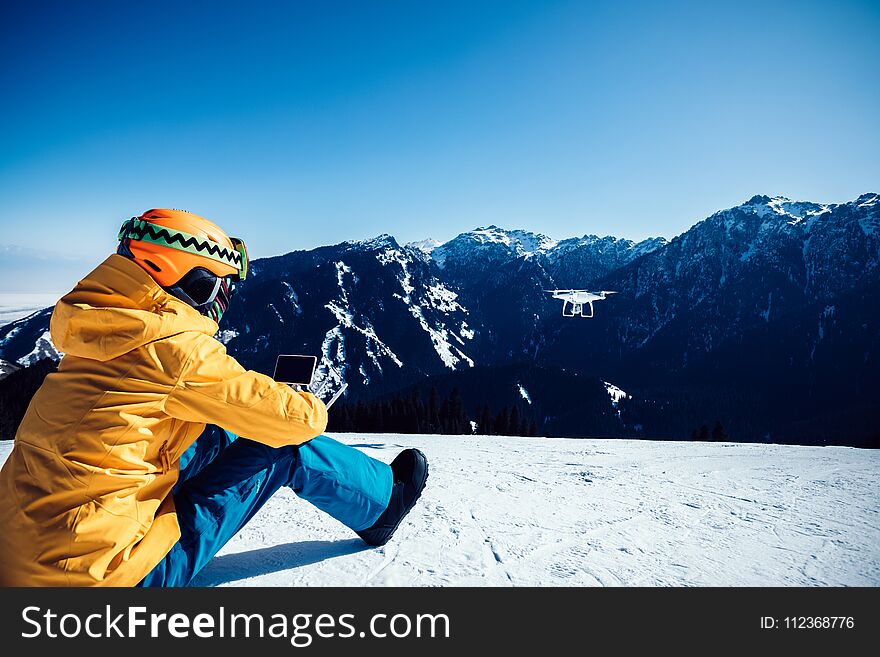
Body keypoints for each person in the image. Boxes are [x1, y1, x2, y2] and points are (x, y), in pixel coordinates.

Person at [0, 208, 428, 587]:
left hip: (24, 560)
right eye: (222, 289)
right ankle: (382, 504)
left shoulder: (98, 330)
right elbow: (297, 422)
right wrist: (303, 402)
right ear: (198, 284)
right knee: (283, 448)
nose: (223, 302)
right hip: (111, 579)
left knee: (215, 433)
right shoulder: (174, 349)